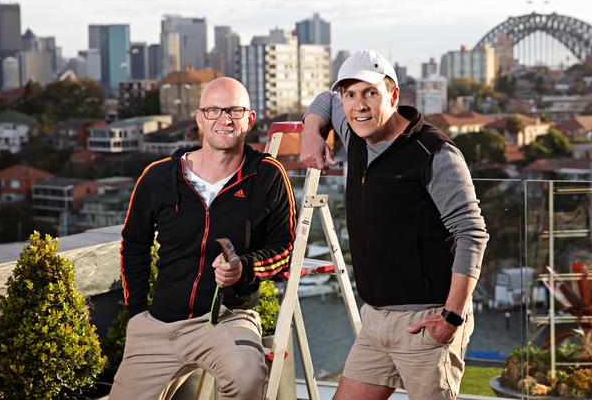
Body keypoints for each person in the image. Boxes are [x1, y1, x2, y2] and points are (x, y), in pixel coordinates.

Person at [301, 50, 489, 400]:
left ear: (394, 95)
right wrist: (311, 130)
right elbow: (325, 100)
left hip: (426, 322)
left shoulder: (433, 153)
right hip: (375, 321)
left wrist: (451, 317)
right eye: (350, 94)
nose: (358, 105)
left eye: (370, 93)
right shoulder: (355, 131)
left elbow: (472, 233)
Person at [111, 78, 296, 400]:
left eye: (234, 111)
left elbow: (286, 251)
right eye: (213, 110)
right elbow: (134, 245)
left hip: (227, 319)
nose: (224, 120)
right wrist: (137, 314)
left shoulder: (267, 175)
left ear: (249, 119)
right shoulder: (158, 176)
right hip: (157, 323)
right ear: (199, 118)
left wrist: (245, 268)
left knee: (246, 377)